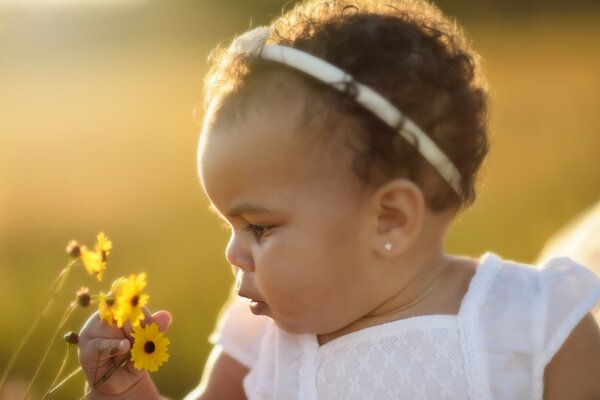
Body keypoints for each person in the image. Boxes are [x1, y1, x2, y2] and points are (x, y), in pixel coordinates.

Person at [77, 0, 600, 399]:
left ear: (390, 220)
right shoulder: (257, 340)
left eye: (259, 228)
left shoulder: (535, 325)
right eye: (229, 226)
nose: (233, 254)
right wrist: (127, 392)